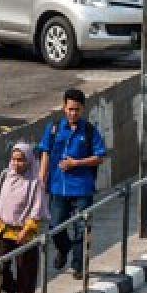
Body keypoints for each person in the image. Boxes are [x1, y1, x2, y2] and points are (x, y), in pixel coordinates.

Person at [38, 88, 107, 280]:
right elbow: (45, 152)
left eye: (76, 109)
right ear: (63, 107)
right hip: (58, 187)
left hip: (82, 187)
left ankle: (79, 265)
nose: (72, 113)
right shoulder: (53, 128)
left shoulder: (89, 131)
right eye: (69, 109)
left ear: (82, 109)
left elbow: (100, 156)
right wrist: (41, 179)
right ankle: (64, 248)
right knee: (55, 226)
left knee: (81, 227)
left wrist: (76, 163)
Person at [0, 142, 49, 293]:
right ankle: (9, 289)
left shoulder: (34, 182)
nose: (17, 164)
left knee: (26, 269)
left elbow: (37, 208)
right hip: (2, 228)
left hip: (24, 230)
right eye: (14, 159)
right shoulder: (6, 175)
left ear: (29, 161)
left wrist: (26, 229)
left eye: (21, 160)